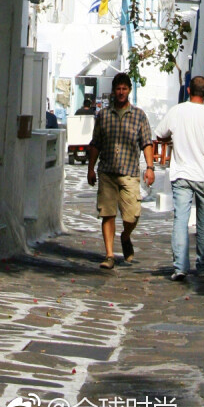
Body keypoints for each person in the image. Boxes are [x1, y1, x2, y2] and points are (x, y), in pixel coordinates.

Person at [157, 75, 204, 281]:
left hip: (181, 175)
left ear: (188, 91)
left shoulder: (176, 111)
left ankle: (180, 266)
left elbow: (160, 134)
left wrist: (173, 138)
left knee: (180, 220)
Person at [86, 73, 154, 270]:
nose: (121, 92)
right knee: (107, 214)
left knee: (132, 215)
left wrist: (150, 168)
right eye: (118, 89)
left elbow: (147, 143)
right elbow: (95, 143)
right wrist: (91, 168)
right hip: (107, 171)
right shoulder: (103, 115)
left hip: (129, 172)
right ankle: (109, 255)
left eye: (124, 89)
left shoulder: (139, 116)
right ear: (113, 91)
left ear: (129, 91)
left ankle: (125, 236)